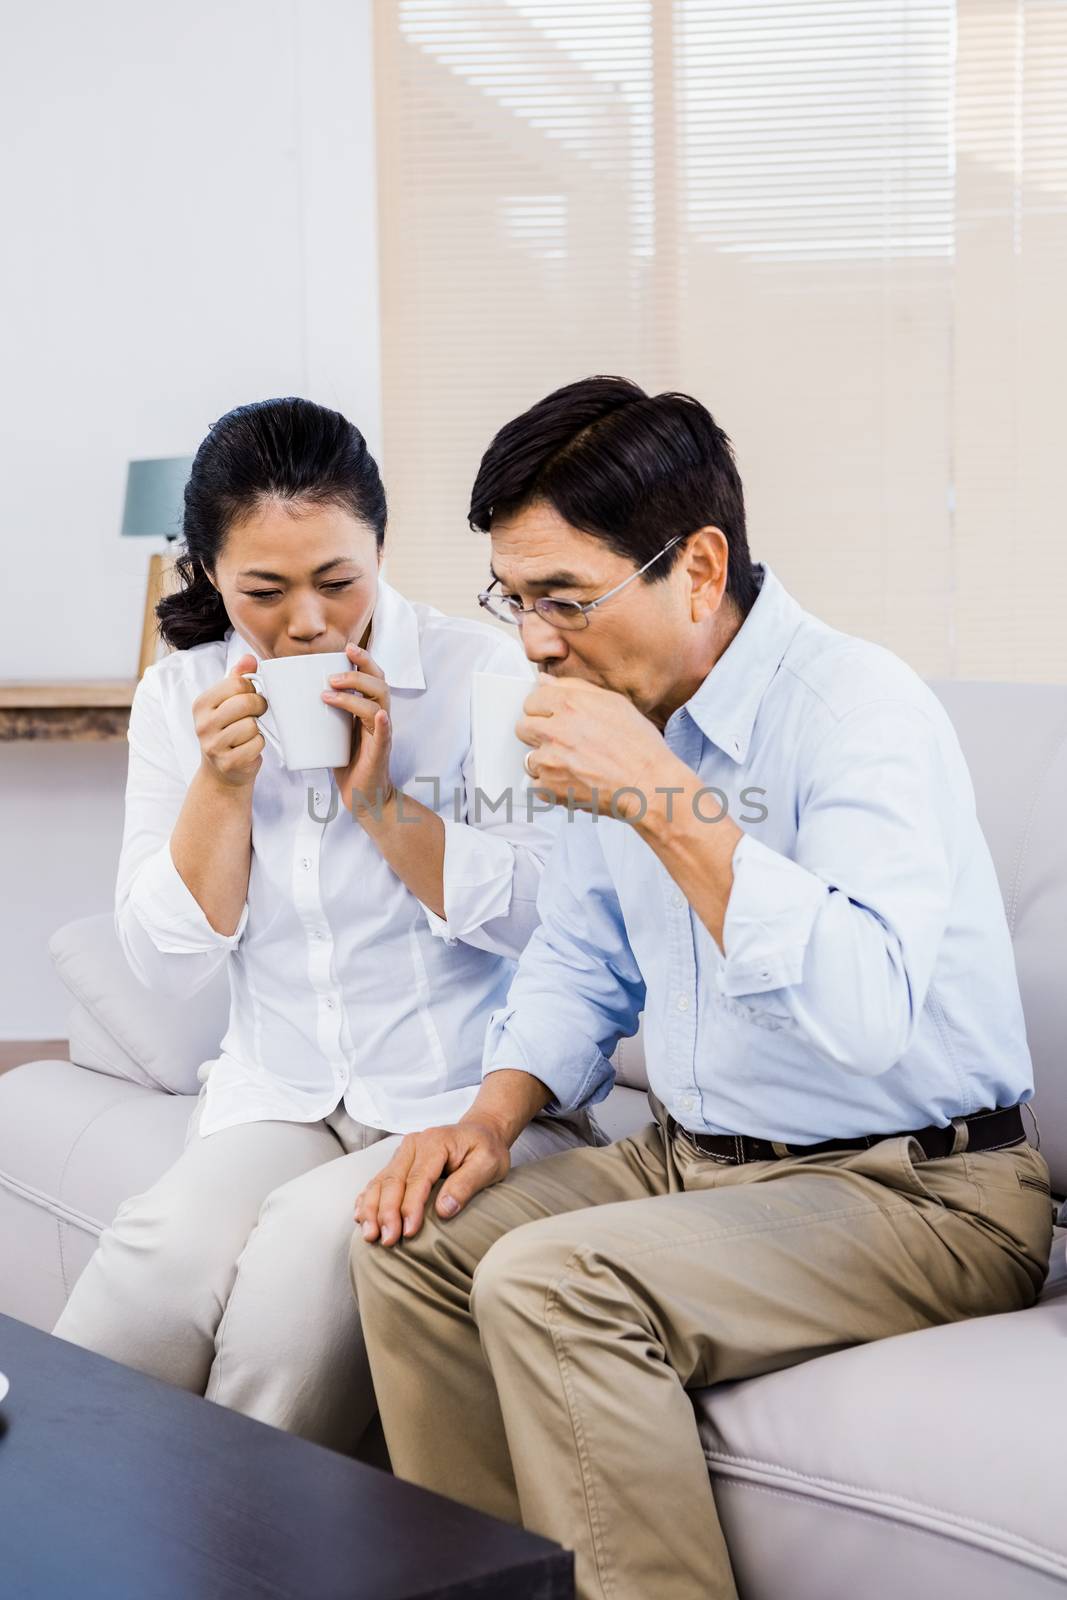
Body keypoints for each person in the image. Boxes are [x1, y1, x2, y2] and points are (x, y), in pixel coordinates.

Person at [350, 376, 1055, 1600]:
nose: (531, 642)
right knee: (415, 1242)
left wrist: (663, 799)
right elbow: (581, 960)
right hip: (696, 1155)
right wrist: (487, 1116)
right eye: (511, 601)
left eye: (561, 599)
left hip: (921, 1186)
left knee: (553, 1280)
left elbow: (868, 1010)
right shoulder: (615, 706)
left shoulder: (855, 709)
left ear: (697, 565)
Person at [53, 396, 595, 1454]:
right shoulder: (178, 697)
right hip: (281, 1090)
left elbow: (552, 923)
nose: (307, 621)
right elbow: (162, 966)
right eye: (264, 590)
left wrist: (383, 804)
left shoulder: (484, 674)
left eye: (338, 580)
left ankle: (232, 1551)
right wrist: (219, 786)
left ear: (381, 550)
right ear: (208, 575)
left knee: (298, 1277)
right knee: (155, 1260)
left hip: (459, 1095)